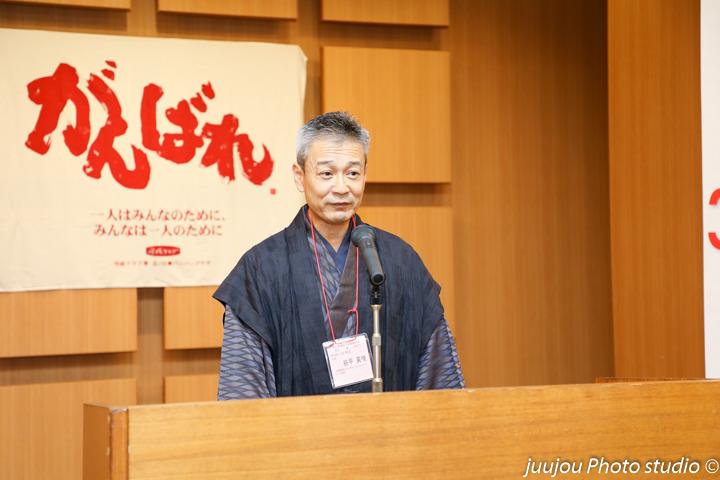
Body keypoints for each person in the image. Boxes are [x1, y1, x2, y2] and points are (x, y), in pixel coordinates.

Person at [214, 111, 464, 399]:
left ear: (365, 175)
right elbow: (243, 389)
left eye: (353, 173)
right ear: (299, 176)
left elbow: (439, 379)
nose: (342, 188)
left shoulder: (400, 260)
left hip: (389, 426)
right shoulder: (261, 268)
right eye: (327, 174)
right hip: (298, 428)